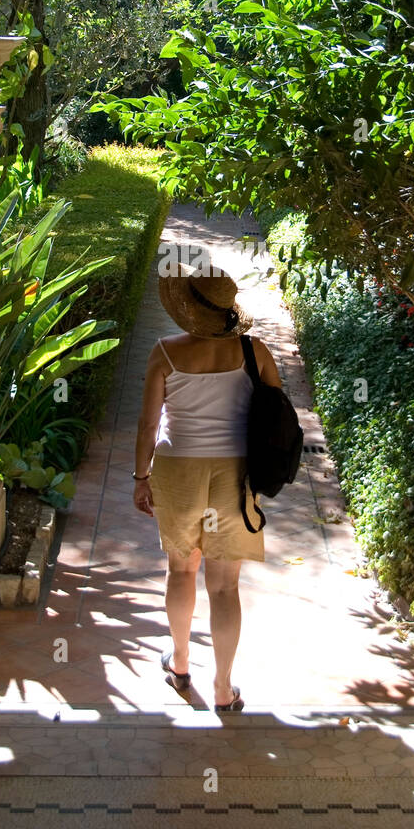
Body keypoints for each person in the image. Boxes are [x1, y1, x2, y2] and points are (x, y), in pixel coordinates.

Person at [132, 257, 281, 712]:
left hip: (178, 469)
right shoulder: (255, 352)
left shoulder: (166, 351)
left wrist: (141, 477)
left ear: (188, 310)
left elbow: (147, 423)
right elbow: (277, 412)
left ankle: (179, 665)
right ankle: (223, 687)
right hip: (235, 474)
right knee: (223, 587)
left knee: (180, 571)